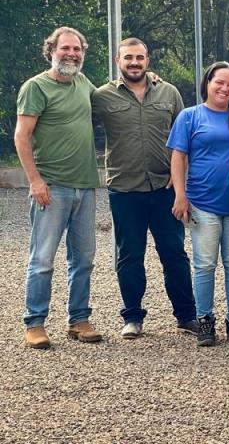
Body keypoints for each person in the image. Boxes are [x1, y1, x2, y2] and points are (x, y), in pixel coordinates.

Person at [92, 37, 198, 339]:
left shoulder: (169, 92)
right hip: (125, 190)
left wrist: (182, 184)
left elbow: (184, 140)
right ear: (118, 61)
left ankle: (186, 316)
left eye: (139, 57)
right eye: (128, 58)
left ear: (147, 60)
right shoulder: (101, 97)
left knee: (174, 254)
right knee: (129, 255)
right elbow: (76, 125)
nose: (134, 63)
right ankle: (133, 317)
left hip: (165, 188)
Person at [15, 26, 103, 349]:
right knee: (43, 259)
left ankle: (78, 319)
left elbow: (112, 98)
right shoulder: (36, 87)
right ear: (51, 50)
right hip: (52, 187)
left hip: (86, 186)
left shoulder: (83, 83)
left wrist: (150, 81)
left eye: (77, 49)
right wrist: (35, 181)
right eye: (65, 48)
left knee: (84, 258)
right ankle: (35, 323)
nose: (71, 54)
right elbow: (21, 136)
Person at [167, 62, 229, 347]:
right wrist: (180, 195)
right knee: (204, 264)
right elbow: (178, 157)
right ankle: (205, 320)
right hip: (202, 203)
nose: (225, 88)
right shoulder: (190, 116)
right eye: (219, 82)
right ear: (207, 82)